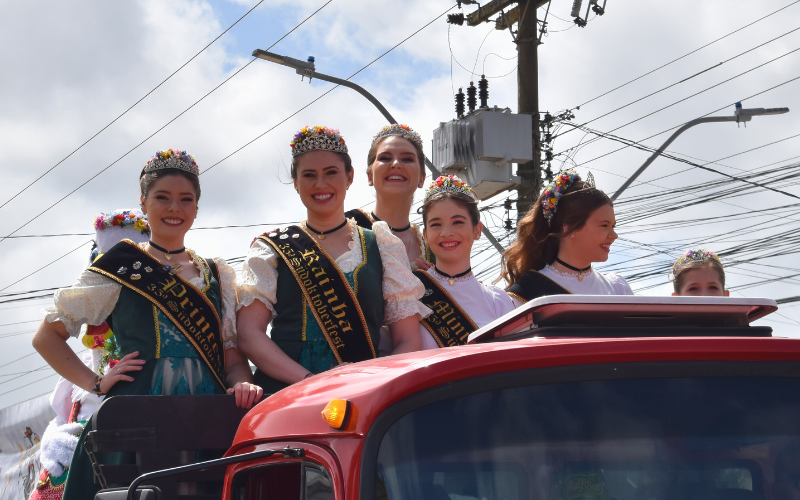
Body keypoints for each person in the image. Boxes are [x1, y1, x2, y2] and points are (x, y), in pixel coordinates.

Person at [33, 149, 261, 500]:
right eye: (163, 198)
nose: (175, 208)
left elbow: (231, 357)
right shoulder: (119, 268)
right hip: (136, 416)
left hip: (205, 415)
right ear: (144, 203)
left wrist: (243, 383)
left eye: (186, 199)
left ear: (197, 208)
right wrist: (95, 383)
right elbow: (46, 337)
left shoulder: (217, 275)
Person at [236, 126, 430, 393]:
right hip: (288, 393)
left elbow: (408, 341)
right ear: (296, 183)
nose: (320, 184)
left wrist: (371, 381)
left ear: (349, 177)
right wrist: (310, 381)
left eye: (331, 173)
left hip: (362, 394)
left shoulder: (382, 245)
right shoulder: (272, 248)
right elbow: (249, 335)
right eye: (309, 175)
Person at [31, 209, 150, 500]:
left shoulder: (173, 286)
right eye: (109, 260)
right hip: (100, 419)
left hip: (160, 412)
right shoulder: (94, 294)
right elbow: (44, 338)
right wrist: (96, 384)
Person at [500, 169, 632, 305]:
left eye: (613, 226)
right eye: (604, 225)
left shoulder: (617, 289)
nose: (614, 236)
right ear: (569, 227)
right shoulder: (528, 291)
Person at [415, 175, 515, 349]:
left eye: (458, 222)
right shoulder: (411, 293)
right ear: (425, 235)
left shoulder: (498, 302)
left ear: (477, 230)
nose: (446, 232)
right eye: (436, 225)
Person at [345, 124, 432, 269]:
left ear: (422, 178)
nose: (396, 164)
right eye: (385, 158)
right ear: (370, 176)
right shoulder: (345, 228)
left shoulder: (432, 247)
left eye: (407, 159)